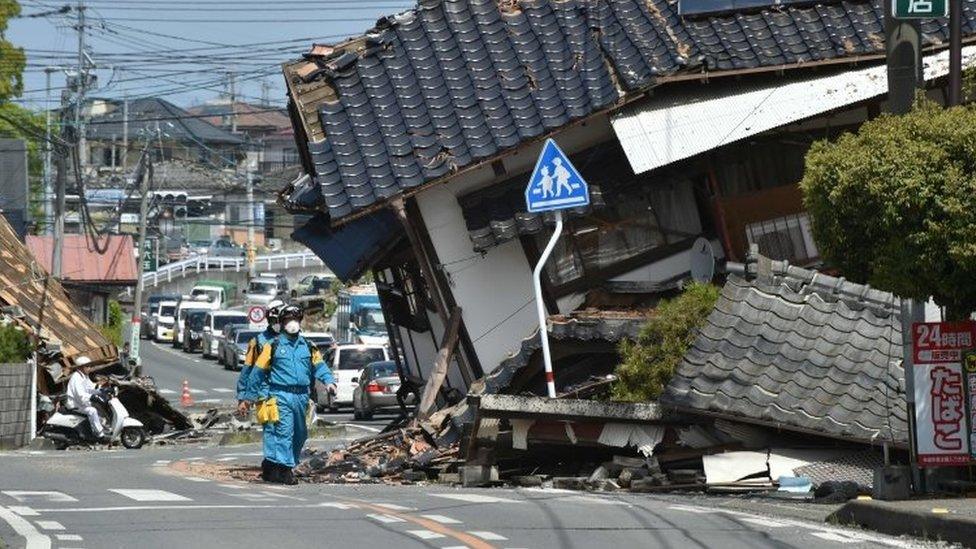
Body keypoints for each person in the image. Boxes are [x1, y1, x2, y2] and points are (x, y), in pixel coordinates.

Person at [251, 304, 336, 484]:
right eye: (289, 320)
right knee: (284, 432)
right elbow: (257, 372)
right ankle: (284, 470)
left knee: (300, 433)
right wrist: (248, 396)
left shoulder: (308, 346)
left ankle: (279, 465)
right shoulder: (272, 346)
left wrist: (329, 382)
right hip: (280, 395)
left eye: (295, 320)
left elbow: (320, 366)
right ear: (282, 323)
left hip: (302, 397)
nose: (292, 323)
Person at [237, 300, 285, 479]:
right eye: (275, 321)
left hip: (288, 394)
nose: (279, 325)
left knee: (291, 430)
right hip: (265, 394)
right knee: (272, 429)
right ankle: (272, 466)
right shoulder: (257, 342)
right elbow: (248, 370)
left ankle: (285, 463)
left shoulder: (296, 340)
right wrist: (243, 397)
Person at [65, 357, 108, 442]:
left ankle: (97, 429)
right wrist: (92, 397)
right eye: (87, 366)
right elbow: (80, 395)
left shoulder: (84, 377)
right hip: (74, 404)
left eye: (90, 366)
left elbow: (90, 388)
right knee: (92, 411)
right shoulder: (76, 378)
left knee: (98, 409)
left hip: (81, 403)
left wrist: (102, 390)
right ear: (81, 367)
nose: (89, 368)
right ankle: (100, 435)